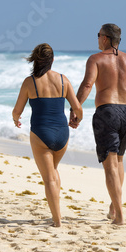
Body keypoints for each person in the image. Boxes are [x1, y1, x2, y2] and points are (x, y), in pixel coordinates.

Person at [70, 23, 126, 225]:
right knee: (118, 160)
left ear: (106, 38)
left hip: (107, 112)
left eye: (99, 35)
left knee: (110, 164)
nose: (97, 38)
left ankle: (119, 216)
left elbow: (87, 85)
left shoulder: (96, 59)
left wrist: (75, 108)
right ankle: (114, 205)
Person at [13, 43, 83, 227]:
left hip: (40, 133)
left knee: (49, 178)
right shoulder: (62, 80)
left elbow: (17, 110)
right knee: (53, 171)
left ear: (35, 60)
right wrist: (76, 120)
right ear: (52, 60)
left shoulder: (30, 82)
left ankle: (57, 220)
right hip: (62, 134)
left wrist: (16, 119)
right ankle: (57, 212)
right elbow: (78, 108)